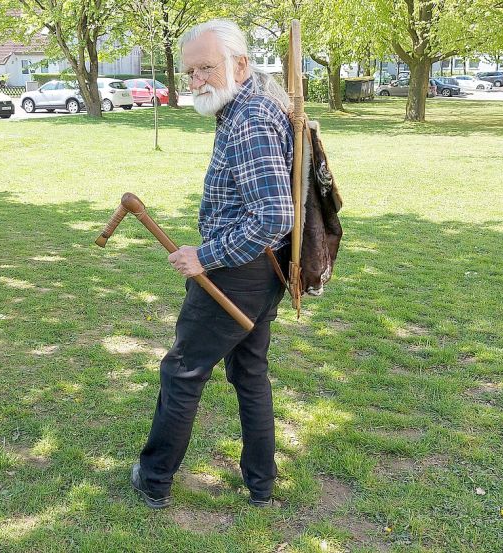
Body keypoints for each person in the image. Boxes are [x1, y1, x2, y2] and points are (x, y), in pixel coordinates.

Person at [131, 19, 294, 509]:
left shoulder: (250, 121)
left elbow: (274, 215)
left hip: (238, 273)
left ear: (240, 65)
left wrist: (205, 255)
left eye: (206, 68)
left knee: (182, 371)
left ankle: (154, 478)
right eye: (190, 72)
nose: (197, 81)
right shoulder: (247, 105)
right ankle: (261, 486)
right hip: (263, 271)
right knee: (249, 373)